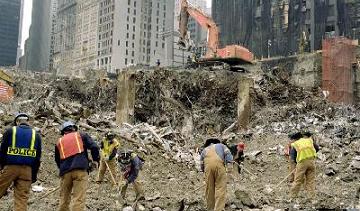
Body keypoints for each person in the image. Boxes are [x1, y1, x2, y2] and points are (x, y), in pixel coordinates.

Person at [0, 113, 42, 211]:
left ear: (17, 121)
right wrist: (33, 176)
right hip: (27, 171)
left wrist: (2, 167)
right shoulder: (36, 135)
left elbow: (2, 151)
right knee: (21, 199)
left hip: (10, 168)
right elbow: (37, 158)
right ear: (27, 121)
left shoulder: (11, 131)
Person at [55, 121, 100, 211]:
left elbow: (57, 160)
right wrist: (95, 160)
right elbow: (94, 147)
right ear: (74, 128)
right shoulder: (81, 135)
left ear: (63, 131)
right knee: (78, 198)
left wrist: (63, 171)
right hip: (80, 171)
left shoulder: (59, 142)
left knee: (64, 198)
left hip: (65, 173)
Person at [200, 138, 233, 211]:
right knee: (220, 188)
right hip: (219, 166)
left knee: (209, 189)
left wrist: (204, 173)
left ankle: (210, 208)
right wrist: (229, 168)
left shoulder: (204, 150)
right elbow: (228, 155)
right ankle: (218, 209)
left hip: (207, 168)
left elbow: (201, 164)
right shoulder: (222, 146)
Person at [290, 131, 319, 201]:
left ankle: (292, 197)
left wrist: (296, 166)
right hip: (312, 162)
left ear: (294, 139)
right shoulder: (309, 140)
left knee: (297, 180)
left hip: (302, 163)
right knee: (310, 181)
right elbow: (317, 148)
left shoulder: (295, 144)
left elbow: (293, 157)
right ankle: (311, 197)